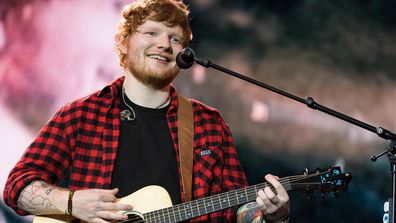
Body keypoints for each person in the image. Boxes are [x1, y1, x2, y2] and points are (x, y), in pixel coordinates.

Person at [3, 0, 290, 222]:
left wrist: (270, 214)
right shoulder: (80, 115)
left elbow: (236, 211)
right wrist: (71, 203)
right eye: (152, 32)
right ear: (125, 45)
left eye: (175, 39)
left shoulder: (208, 125)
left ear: (184, 57)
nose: (165, 44)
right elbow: (17, 187)